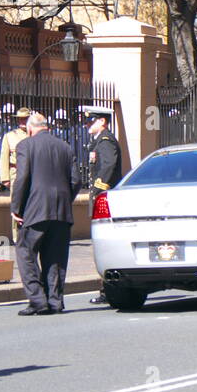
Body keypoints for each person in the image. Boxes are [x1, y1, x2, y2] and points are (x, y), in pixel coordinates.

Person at [10, 112, 78, 315]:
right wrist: (65, 199)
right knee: (55, 257)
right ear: (47, 127)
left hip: (35, 209)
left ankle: (38, 300)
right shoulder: (65, 147)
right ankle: (55, 301)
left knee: (25, 253)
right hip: (61, 211)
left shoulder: (25, 145)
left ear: (30, 128)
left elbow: (21, 179)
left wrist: (16, 208)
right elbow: (76, 181)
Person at [84, 105, 123, 306]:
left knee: (105, 246)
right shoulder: (98, 141)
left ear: (102, 121)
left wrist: (99, 191)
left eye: (91, 121)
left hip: (104, 200)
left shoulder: (105, 141)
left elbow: (108, 166)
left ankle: (108, 289)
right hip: (101, 198)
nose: (87, 125)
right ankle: (107, 289)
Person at [0, 106, 30, 242]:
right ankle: (17, 236)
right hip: (15, 173)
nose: (22, 121)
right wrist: (5, 177)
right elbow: (3, 157)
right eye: (20, 119)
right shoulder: (10, 136)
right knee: (16, 204)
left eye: (25, 119)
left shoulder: (33, 134)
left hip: (33, 173)